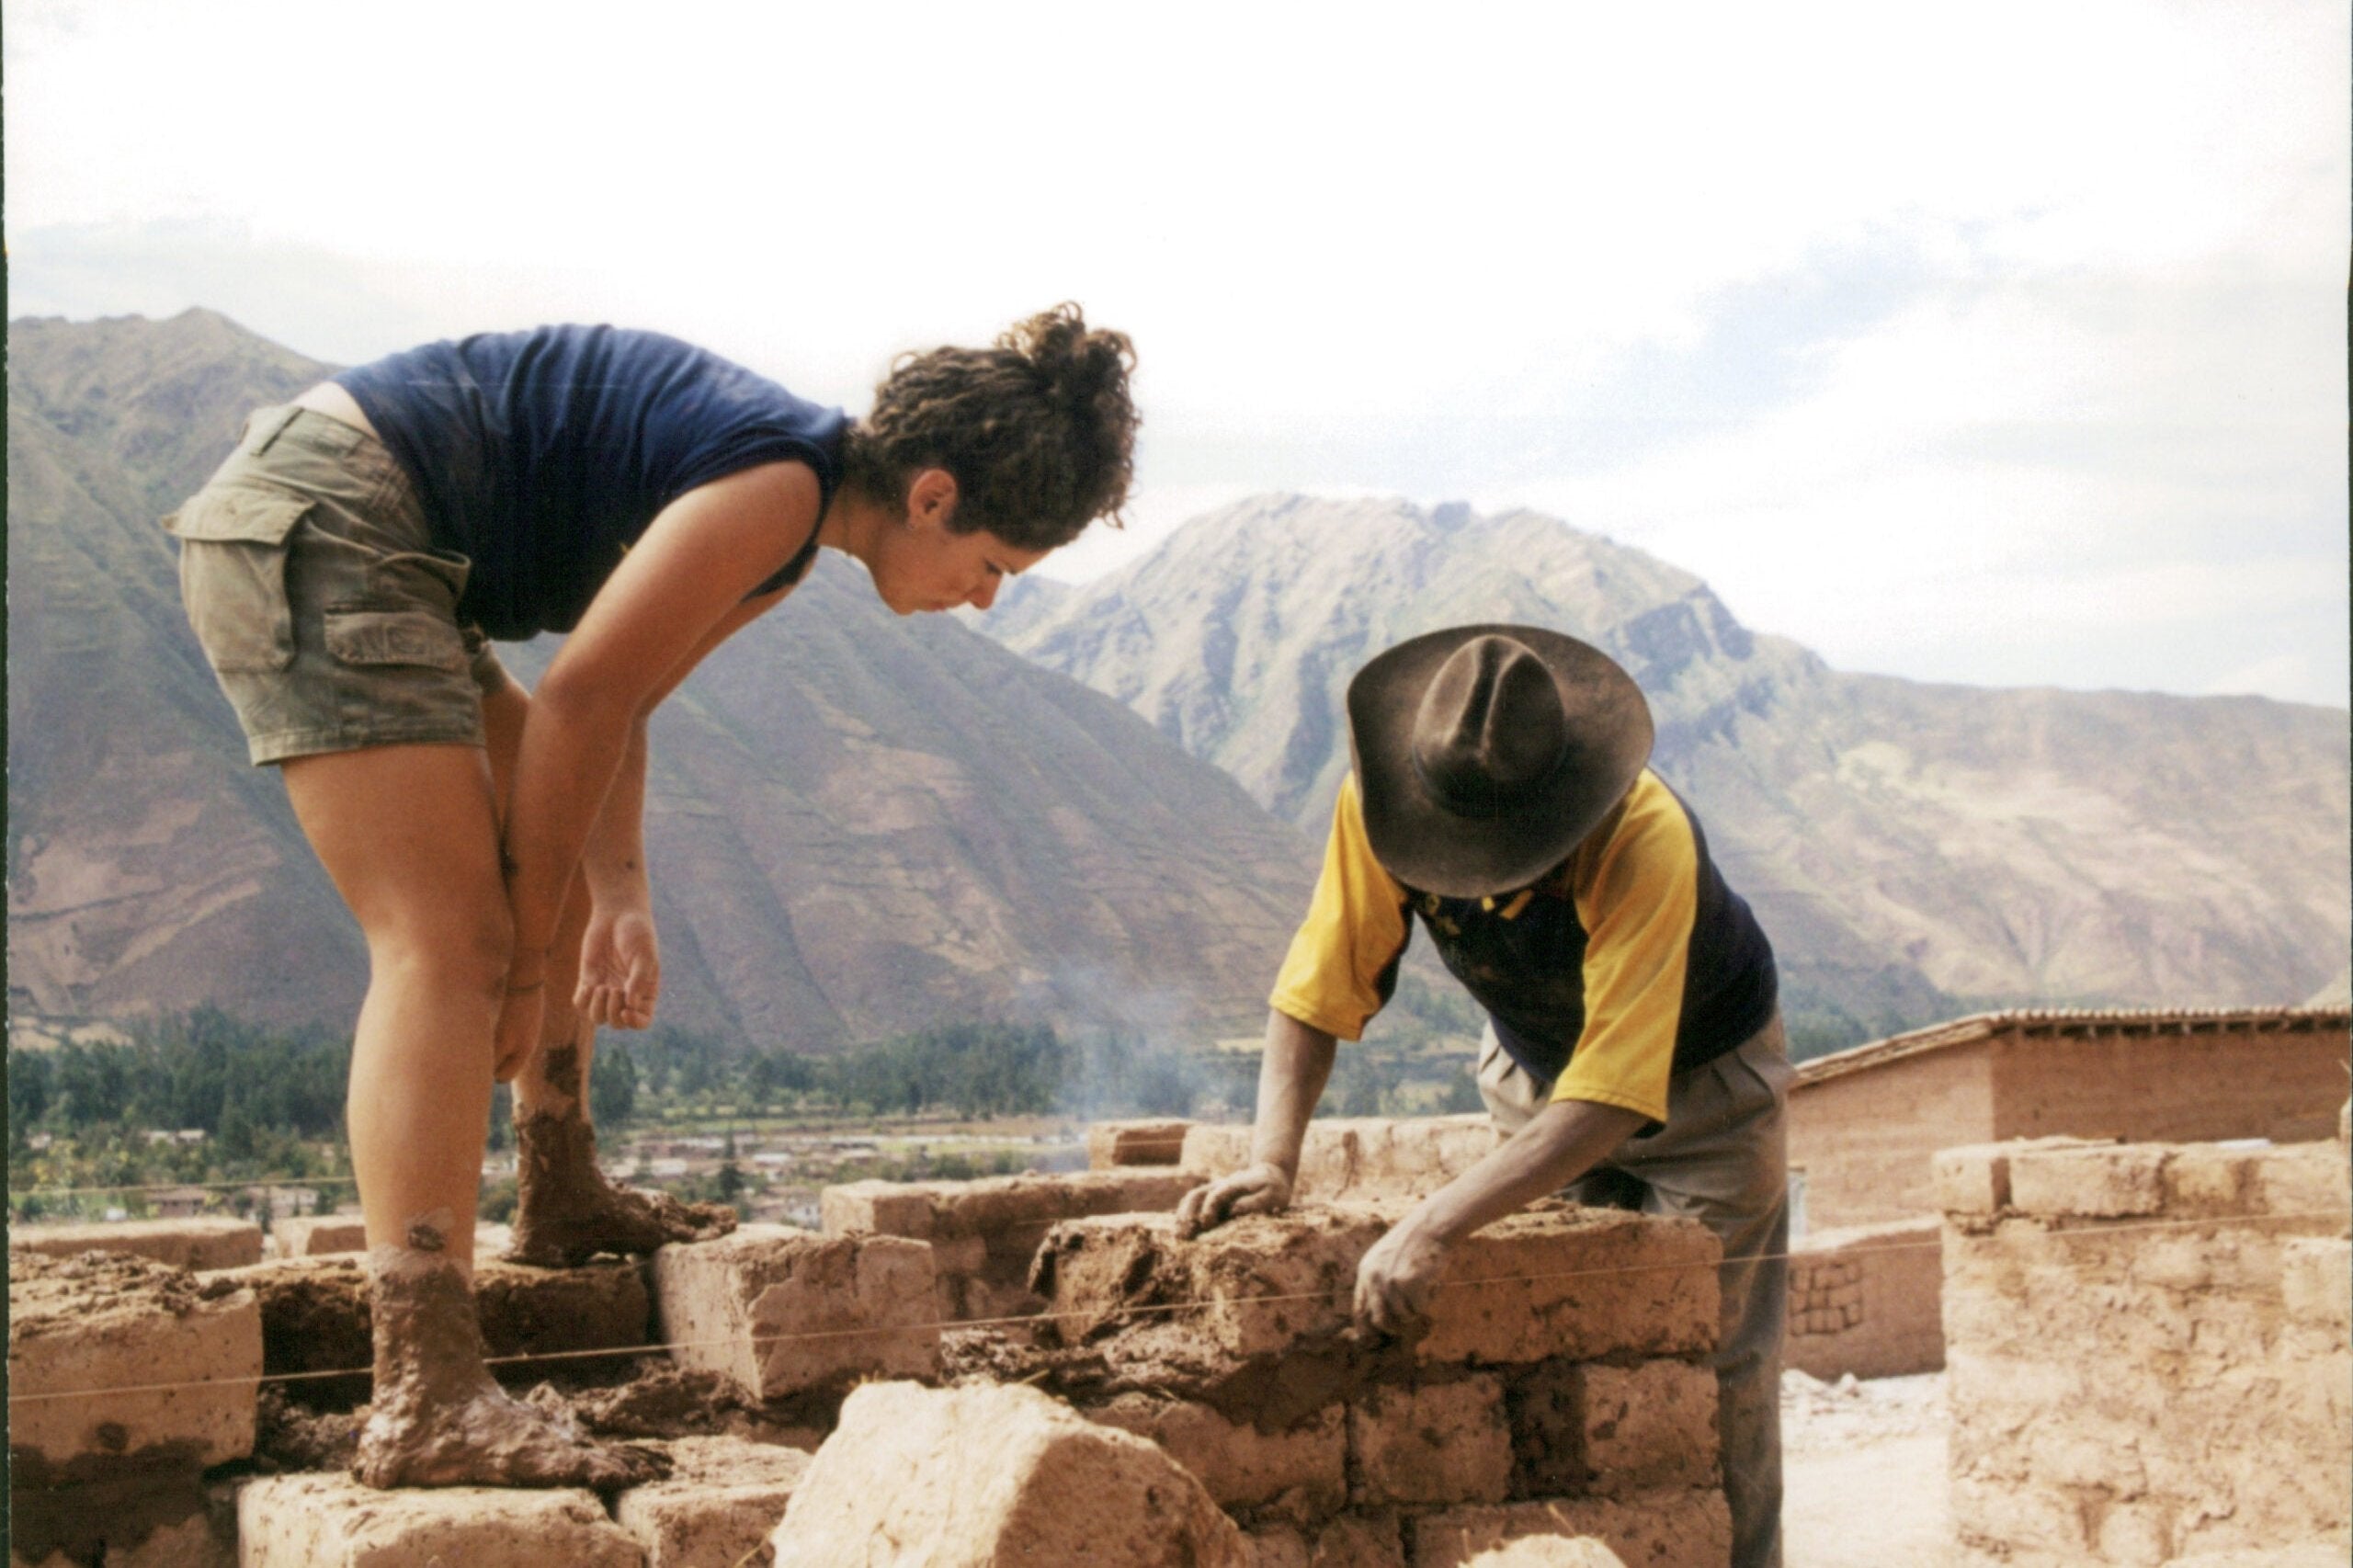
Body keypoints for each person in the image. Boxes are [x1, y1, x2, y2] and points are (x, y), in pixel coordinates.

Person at [164, 307, 1138, 1489]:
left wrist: (616, 893)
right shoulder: (772, 489)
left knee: (549, 864)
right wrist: (524, 968)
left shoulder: (784, 523)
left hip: (395, 547)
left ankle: (559, 1190)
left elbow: (614, 702)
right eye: (994, 567)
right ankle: (424, 1390)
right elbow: (576, 701)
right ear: (933, 495)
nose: (984, 598)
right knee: (448, 943)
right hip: (337, 523)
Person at [1176, 623, 1790, 1568]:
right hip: (1536, 1075)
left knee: (1713, 1376)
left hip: (1704, 1089)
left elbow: (1614, 1092)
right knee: (1549, 1352)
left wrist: (1431, 1222)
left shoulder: (1643, 833)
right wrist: (1271, 1158)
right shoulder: (1383, 811)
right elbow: (1316, 988)